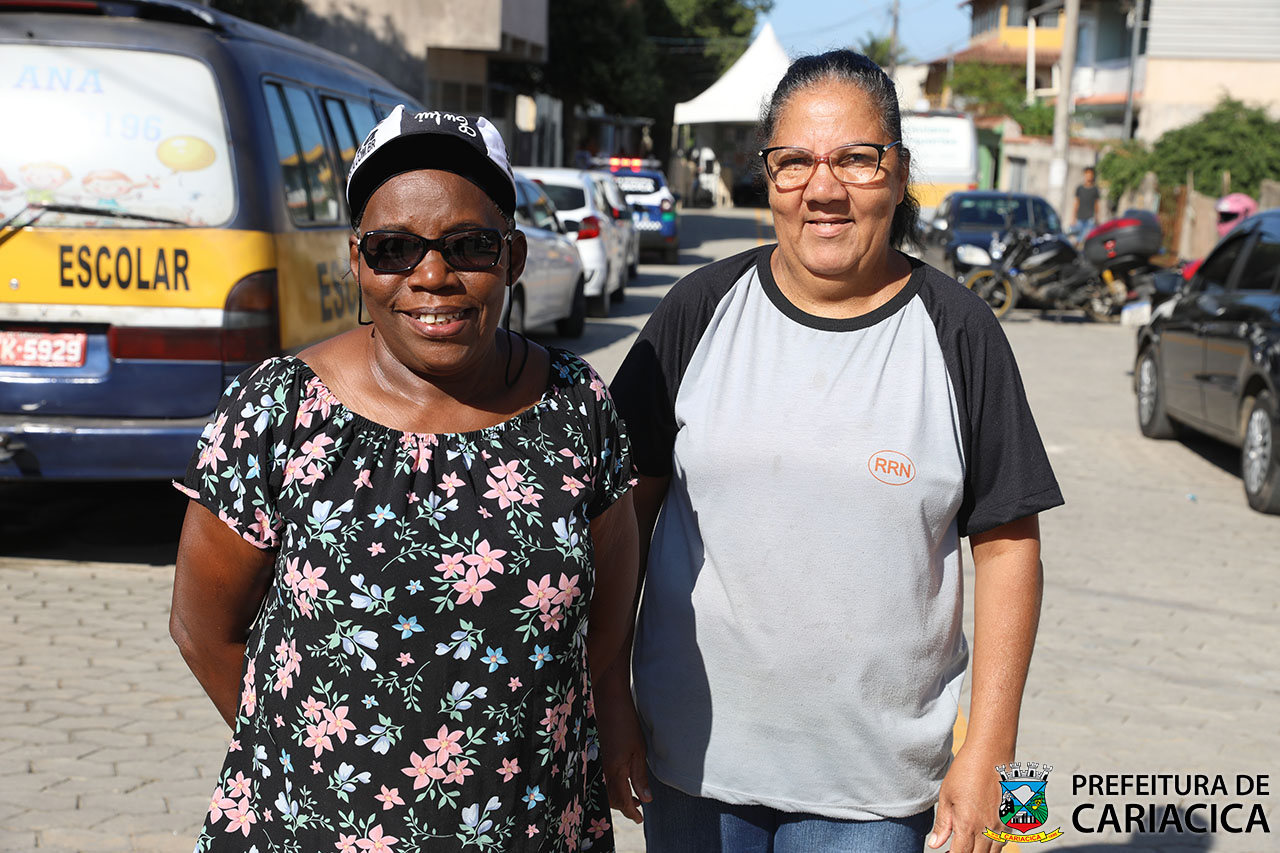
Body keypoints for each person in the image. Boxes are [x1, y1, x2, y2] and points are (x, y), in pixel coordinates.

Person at [601, 50, 1063, 853]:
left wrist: (991, 745)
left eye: (856, 158)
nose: (823, 189)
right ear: (768, 176)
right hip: (693, 767)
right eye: (794, 162)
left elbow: (1008, 546)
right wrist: (608, 691)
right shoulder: (698, 310)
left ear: (900, 173)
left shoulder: (959, 333)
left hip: (875, 791)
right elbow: (619, 523)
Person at [170, 106, 638, 852]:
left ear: (514, 258)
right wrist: (314, 765)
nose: (432, 276)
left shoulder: (577, 407)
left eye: (470, 246)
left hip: (529, 823)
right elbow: (204, 630)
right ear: (358, 263)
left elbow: (607, 616)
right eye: (394, 249)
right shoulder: (278, 410)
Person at [1072, 166, 1101, 243]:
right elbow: (1076, 203)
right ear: (1084, 175)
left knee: (1087, 238)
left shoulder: (1095, 189)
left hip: (1090, 218)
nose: (1089, 176)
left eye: (1091, 174)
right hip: (1080, 217)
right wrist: (1073, 218)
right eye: (1087, 174)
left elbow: (1096, 204)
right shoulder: (1079, 188)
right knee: (1078, 238)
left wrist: (1097, 217)